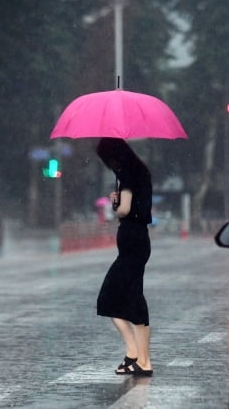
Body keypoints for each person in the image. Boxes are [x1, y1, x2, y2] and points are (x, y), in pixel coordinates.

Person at [95, 137, 154, 377]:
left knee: (113, 298)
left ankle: (143, 360)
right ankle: (135, 356)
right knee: (125, 298)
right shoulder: (140, 172)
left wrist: (115, 203)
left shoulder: (128, 174)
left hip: (132, 242)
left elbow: (125, 210)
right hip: (138, 241)